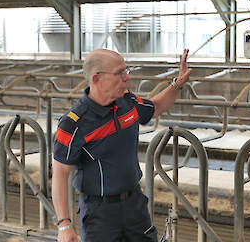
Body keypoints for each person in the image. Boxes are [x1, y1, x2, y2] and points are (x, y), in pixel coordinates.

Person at [52, 48, 192, 242]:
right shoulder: (73, 124)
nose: (126, 78)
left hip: (134, 205)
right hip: (99, 213)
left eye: (127, 71)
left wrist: (178, 83)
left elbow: (156, 107)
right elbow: (60, 173)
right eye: (120, 73)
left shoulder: (127, 102)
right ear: (96, 78)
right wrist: (64, 225)